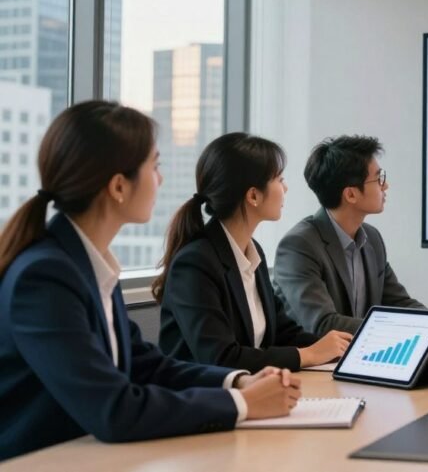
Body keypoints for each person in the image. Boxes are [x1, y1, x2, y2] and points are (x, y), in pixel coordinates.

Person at [0, 102, 300, 461]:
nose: (160, 180)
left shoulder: (85, 265)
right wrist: (241, 403)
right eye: (154, 167)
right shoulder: (45, 277)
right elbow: (114, 408)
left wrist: (237, 381)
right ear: (118, 186)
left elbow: (148, 366)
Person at [154, 133, 352, 372]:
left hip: (251, 391)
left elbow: (283, 332)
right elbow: (221, 358)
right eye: (279, 179)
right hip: (204, 399)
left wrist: (340, 350)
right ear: (253, 196)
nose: (285, 187)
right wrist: (308, 354)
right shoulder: (195, 262)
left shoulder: (251, 250)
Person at [273, 135, 428, 337]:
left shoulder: (371, 238)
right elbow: (324, 324)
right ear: (350, 195)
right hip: (313, 364)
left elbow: (397, 301)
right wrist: (415, 329)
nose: (385, 186)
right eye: (379, 178)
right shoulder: (299, 246)